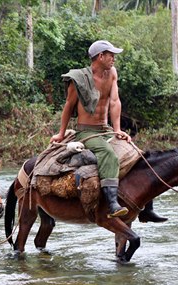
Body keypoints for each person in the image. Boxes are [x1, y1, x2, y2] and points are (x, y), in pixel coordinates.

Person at [51, 40, 166, 221]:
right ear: (100, 56)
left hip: (106, 129)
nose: (114, 59)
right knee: (108, 154)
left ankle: (147, 209)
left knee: (138, 154)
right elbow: (68, 106)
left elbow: (114, 101)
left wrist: (117, 130)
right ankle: (113, 204)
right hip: (87, 132)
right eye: (111, 55)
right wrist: (61, 133)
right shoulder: (79, 80)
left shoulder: (112, 73)